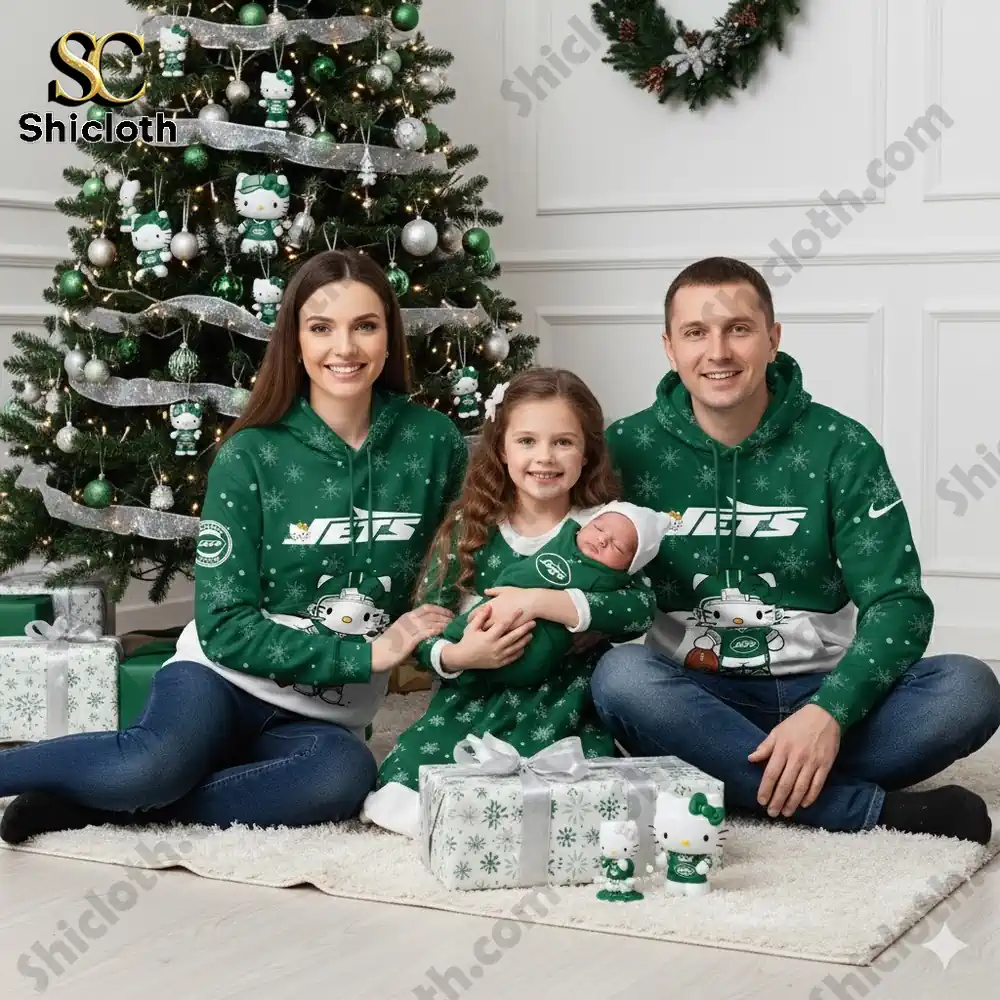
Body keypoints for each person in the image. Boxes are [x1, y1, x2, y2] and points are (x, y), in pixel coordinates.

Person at [0, 250, 466, 844]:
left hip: (326, 715)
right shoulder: (251, 454)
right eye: (321, 328)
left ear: (388, 336)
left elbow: (444, 591)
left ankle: (107, 807)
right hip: (221, 679)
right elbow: (223, 625)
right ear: (294, 341)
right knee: (148, 768)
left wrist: (449, 644)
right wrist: (365, 656)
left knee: (341, 781)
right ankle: (124, 788)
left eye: (365, 326)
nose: (344, 348)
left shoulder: (434, 443)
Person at [592, 256, 1000, 845]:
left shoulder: (842, 444)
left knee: (968, 688)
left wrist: (830, 713)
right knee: (620, 677)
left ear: (772, 338)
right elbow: (577, 571)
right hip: (695, 693)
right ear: (669, 347)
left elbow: (898, 603)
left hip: (825, 689)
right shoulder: (623, 448)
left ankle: (736, 778)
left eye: (738, 328)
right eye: (696, 333)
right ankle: (857, 808)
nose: (719, 352)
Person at [360, 368, 658, 837]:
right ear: (501, 449)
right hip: (477, 694)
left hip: (564, 697)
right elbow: (423, 625)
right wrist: (459, 655)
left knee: (577, 798)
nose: (544, 457)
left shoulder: (602, 531)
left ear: (587, 454)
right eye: (527, 441)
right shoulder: (470, 527)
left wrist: (546, 602)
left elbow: (639, 607)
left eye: (563, 442)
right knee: (410, 788)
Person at [443, 500, 677, 690]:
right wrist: (456, 655)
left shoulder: (615, 581)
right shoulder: (563, 535)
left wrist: (546, 604)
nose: (603, 539)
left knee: (524, 663)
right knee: (461, 635)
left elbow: (639, 612)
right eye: (598, 527)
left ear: (629, 567)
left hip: (536, 653)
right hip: (489, 614)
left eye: (617, 547)